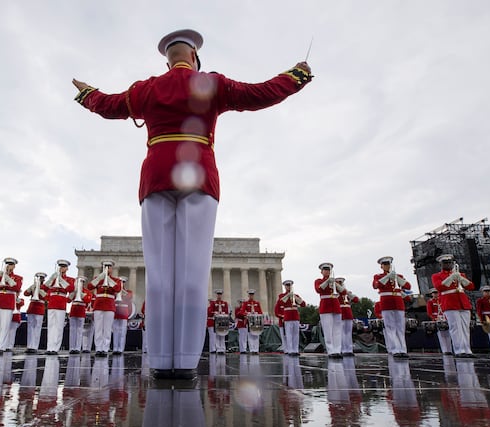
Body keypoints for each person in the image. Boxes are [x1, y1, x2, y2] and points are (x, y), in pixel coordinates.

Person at [73, 29, 312, 379]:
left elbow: (108, 106)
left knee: (158, 273)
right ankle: (184, 361)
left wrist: (87, 93)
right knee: (193, 272)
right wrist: (296, 76)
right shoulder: (210, 83)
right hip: (199, 176)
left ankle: (159, 360)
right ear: (195, 57)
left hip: (156, 177)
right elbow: (261, 94)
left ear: (167, 60)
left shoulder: (146, 88)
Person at [431, 254, 476, 358]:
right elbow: (439, 287)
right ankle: (459, 350)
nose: (448, 264)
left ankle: (467, 349)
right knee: (455, 328)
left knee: (465, 328)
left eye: (450, 262)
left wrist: (461, 278)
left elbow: (471, 286)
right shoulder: (436, 276)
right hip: (449, 303)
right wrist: (451, 278)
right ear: (441, 265)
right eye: (445, 263)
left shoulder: (460, 274)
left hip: (463, 302)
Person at [372, 256, 411, 358]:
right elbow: (376, 285)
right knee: (390, 327)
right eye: (385, 264)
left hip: (398, 302)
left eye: (388, 264)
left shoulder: (398, 276)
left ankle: (403, 349)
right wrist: (387, 277)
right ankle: (395, 349)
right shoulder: (378, 276)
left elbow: (407, 286)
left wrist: (396, 278)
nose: (387, 266)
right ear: (381, 266)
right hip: (386, 302)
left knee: (400, 328)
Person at [0, 258, 22, 354]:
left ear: (14, 266)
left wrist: (6, 278)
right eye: (7, 264)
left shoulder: (18, 277)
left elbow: (17, 287)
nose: (8, 266)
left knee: (4, 326)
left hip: (8, 301)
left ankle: (1, 347)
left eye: (11, 264)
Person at [87, 260, 122, 357]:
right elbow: (89, 286)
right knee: (98, 328)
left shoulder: (116, 280)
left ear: (111, 268)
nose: (107, 268)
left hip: (109, 305)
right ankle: (98, 348)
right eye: (105, 266)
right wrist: (100, 277)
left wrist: (108, 278)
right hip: (98, 305)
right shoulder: (97, 279)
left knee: (107, 329)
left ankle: (105, 348)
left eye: (109, 267)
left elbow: (118, 289)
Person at [43, 259, 75, 355]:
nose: (62, 268)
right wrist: (51, 279)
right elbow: (44, 288)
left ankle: (55, 348)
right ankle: (49, 347)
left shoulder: (69, 279)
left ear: (67, 268)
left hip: (61, 303)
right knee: (51, 326)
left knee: (58, 327)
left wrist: (61, 280)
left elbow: (71, 289)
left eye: (64, 267)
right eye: (60, 266)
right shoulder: (53, 278)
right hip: (52, 303)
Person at [315, 262, 345, 358]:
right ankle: (331, 350)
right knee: (328, 330)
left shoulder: (334, 282)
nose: (327, 271)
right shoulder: (318, 281)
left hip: (335, 305)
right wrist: (327, 282)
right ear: (321, 271)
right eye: (325, 270)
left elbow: (343, 292)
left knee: (337, 330)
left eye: (328, 270)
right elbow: (318, 289)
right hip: (325, 305)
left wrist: (335, 283)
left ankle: (337, 350)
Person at [274, 280, 306, 355]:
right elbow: (280, 303)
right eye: (287, 285)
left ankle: (295, 350)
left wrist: (295, 297)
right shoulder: (281, 296)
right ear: (285, 287)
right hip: (287, 316)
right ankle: (290, 350)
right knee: (288, 334)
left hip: (295, 316)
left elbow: (303, 304)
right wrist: (288, 295)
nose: (289, 287)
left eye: (290, 285)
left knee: (295, 334)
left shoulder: (296, 295)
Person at [23, 272, 48, 354]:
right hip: (32, 307)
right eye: (38, 278)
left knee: (37, 328)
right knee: (30, 328)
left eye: (41, 278)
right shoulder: (33, 286)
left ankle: (35, 346)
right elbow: (25, 293)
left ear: (43, 279)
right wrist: (32, 287)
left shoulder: (45, 287)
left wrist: (40, 290)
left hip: (40, 307)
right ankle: (29, 346)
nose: (40, 280)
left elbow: (47, 297)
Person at [336, 277, 359, 356]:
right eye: (339, 283)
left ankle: (349, 349)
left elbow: (356, 300)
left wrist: (348, 294)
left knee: (348, 333)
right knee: (341, 333)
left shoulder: (347, 294)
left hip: (348, 314)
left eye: (341, 283)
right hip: (340, 314)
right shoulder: (335, 293)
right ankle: (343, 349)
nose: (340, 284)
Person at [68, 276, 91, 354]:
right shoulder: (74, 291)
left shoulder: (87, 291)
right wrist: (74, 292)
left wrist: (80, 293)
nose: (80, 284)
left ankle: (77, 348)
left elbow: (88, 300)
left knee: (79, 330)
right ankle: (72, 347)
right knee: (72, 330)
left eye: (81, 282)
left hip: (81, 311)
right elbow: (68, 300)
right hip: (74, 311)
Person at [426, 288, 453, 355]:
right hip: (437, 318)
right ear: (431, 294)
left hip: (444, 317)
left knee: (448, 334)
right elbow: (429, 312)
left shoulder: (442, 300)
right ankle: (445, 350)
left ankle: (449, 350)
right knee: (441, 335)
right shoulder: (430, 302)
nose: (435, 294)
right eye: (434, 293)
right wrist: (434, 318)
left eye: (436, 293)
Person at [113, 277, 134, 355]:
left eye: (123, 282)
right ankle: (115, 348)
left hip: (124, 313)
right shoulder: (115, 292)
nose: (122, 284)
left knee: (122, 332)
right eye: (120, 282)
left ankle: (120, 349)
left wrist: (121, 289)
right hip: (116, 313)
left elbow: (129, 297)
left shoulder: (128, 292)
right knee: (115, 332)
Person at [207, 289, 230, 354]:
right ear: (216, 295)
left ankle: (222, 349)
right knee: (216, 336)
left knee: (222, 335)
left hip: (222, 321)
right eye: (218, 294)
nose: (219, 296)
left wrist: (223, 313)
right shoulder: (213, 303)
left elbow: (226, 311)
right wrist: (215, 313)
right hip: (215, 321)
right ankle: (216, 349)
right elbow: (210, 312)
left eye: (220, 294)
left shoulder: (225, 303)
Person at [241, 289, 264, 354]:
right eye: (250, 295)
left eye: (252, 295)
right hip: (249, 321)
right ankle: (252, 349)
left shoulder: (257, 303)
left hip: (256, 321)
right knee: (250, 335)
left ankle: (256, 349)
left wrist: (257, 313)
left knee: (256, 335)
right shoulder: (246, 303)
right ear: (248, 295)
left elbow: (260, 312)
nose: (251, 296)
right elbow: (242, 312)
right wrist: (247, 314)